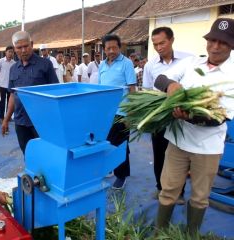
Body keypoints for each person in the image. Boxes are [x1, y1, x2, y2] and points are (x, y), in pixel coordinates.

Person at [154, 18, 234, 235]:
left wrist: (187, 116)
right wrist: (170, 85)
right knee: (169, 189)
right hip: (178, 141)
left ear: (232, 44)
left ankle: (190, 235)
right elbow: (159, 78)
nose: (215, 46)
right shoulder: (192, 63)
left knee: (199, 197)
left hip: (207, 148)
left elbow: (219, 118)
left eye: (223, 43)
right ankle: (159, 233)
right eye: (212, 40)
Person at [142, 27, 192, 204]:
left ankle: (179, 192)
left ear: (171, 40)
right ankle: (160, 188)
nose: (158, 47)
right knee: (160, 153)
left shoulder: (188, 59)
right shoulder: (150, 65)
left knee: (180, 155)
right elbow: (147, 90)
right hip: (160, 116)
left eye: (162, 43)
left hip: (182, 116)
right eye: (155, 44)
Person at [2, 31, 59, 154]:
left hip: (41, 121)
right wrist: (6, 119)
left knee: (46, 153)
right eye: (19, 47)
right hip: (20, 121)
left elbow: (56, 93)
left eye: (26, 46)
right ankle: (32, 173)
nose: (23, 50)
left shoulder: (45, 65)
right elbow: (12, 94)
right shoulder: (13, 69)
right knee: (27, 153)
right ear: (14, 49)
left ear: (31, 44)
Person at [98, 34, 136, 189]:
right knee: (108, 143)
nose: (111, 50)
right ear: (104, 50)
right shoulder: (102, 65)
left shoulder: (126, 63)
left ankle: (121, 175)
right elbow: (100, 89)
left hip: (122, 113)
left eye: (114, 47)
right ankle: (112, 168)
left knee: (119, 145)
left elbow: (132, 89)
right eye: (108, 48)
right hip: (106, 113)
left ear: (120, 47)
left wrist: (132, 113)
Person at [0, 46, 16, 123]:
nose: (11, 53)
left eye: (12, 52)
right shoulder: (0, 61)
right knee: (2, 102)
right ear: (6, 52)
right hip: (2, 85)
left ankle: (8, 117)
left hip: (11, 85)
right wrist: (3, 78)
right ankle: (1, 117)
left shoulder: (14, 63)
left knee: (10, 102)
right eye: (9, 52)